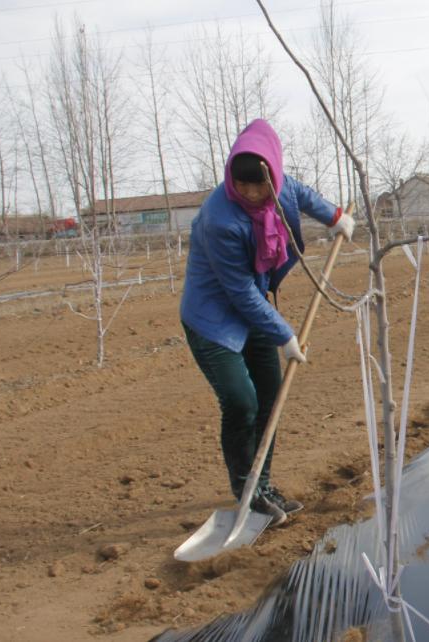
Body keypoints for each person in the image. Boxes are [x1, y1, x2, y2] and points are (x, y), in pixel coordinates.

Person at [180, 118, 355, 525]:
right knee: (242, 400)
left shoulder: (279, 186)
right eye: (242, 187)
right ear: (231, 181)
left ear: (272, 174)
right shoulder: (219, 219)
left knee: (271, 395)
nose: (252, 194)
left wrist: (335, 217)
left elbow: (302, 195)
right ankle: (246, 489)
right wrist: (285, 333)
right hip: (213, 317)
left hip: (253, 304)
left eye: (259, 185)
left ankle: (264, 484)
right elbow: (238, 292)